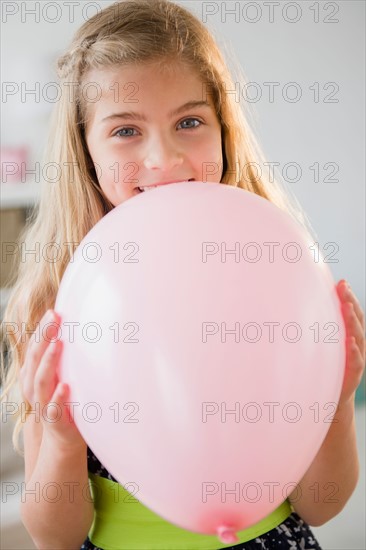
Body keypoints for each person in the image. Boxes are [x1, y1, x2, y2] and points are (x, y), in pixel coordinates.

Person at [1, 1, 365, 549]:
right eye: (125, 130)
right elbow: (55, 537)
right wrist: (60, 440)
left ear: (224, 131)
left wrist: (335, 401)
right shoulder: (58, 306)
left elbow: (322, 504)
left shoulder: (273, 276)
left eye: (189, 122)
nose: (164, 159)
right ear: (86, 151)